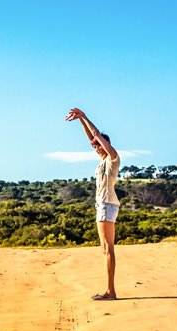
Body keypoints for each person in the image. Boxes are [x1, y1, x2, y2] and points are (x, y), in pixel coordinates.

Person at [66, 107, 120, 300]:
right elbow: (92, 137)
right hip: (104, 205)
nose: (95, 146)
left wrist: (86, 116)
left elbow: (96, 135)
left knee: (108, 248)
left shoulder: (113, 158)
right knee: (105, 248)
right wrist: (81, 120)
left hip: (107, 205)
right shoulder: (102, 161)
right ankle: (109, 290)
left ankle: (110, 291)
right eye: (94, 145)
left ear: (106, 144)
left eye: (99, 145)